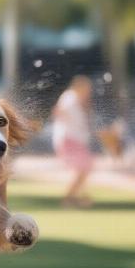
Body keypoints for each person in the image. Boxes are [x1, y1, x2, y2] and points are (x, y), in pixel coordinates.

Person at [52, 75, 94, 207]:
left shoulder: (77, 100)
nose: (88, 92)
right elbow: (59, 111)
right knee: (83, 167)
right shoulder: (70, 97)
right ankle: (70, 198)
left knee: (84, 168)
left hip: (75, 139)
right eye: (87, 89)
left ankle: (77, 196)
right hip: (69, 138)